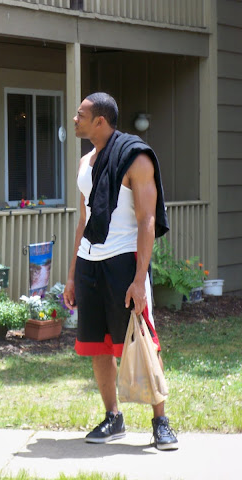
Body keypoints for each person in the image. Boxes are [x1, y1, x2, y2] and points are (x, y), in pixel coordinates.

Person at [62, 93, 179, 451]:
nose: (74, 120)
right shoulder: (85, 163)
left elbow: (146, 221)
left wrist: (140, 280)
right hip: (90, 261)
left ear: (100, 121)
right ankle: (113, 418)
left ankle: (161, 421)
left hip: (124, 262)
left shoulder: (135, 158)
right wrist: (72, 275)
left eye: (80, 115)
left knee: (143, 339)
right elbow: (83, 220)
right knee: (98, 345)